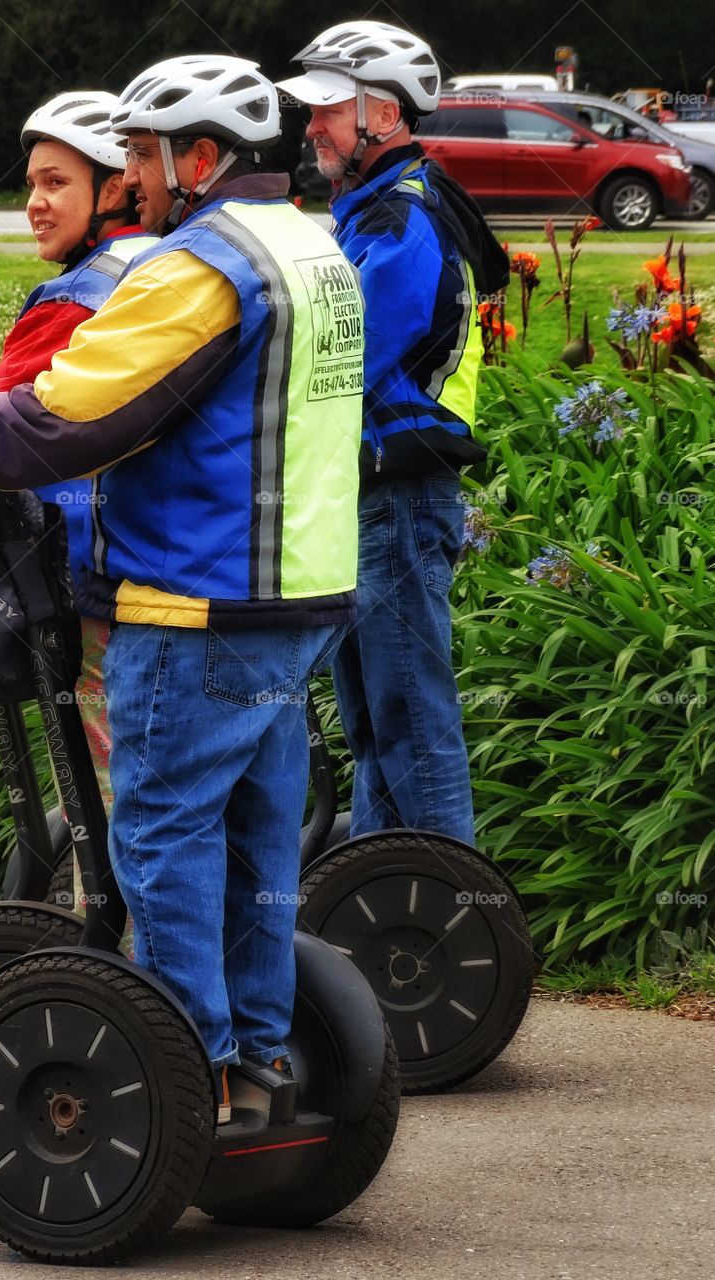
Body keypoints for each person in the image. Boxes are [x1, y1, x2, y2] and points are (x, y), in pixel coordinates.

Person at [0, 55, 364, 1124]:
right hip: (299, 605)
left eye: (140, 153)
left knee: (163, 837)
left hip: (195, 604)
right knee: (257, 842)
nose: (131, 177)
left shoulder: (200, 267)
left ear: (203, 157)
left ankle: (185, 1086)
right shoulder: (313, 248)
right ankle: (259, 1062)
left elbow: (64, 417)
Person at [278, 21, 510, 847]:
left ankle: (445, 928)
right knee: (379, 726)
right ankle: (384, 919)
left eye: (327, 112)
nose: (311, 127)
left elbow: (340, 362)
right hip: (374, 498)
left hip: (401, 499)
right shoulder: (371, 213)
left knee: (409, 723)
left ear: (381, 114)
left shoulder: (399, 222)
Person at [0, 92, 157, 815]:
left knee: (115, 780)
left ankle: (115, 925)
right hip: (179, 564)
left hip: (97, 564)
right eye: (31, 185)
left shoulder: (81, 295)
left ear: (113, 188)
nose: (35, 204)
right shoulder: (164, 261)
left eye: (56, 183)